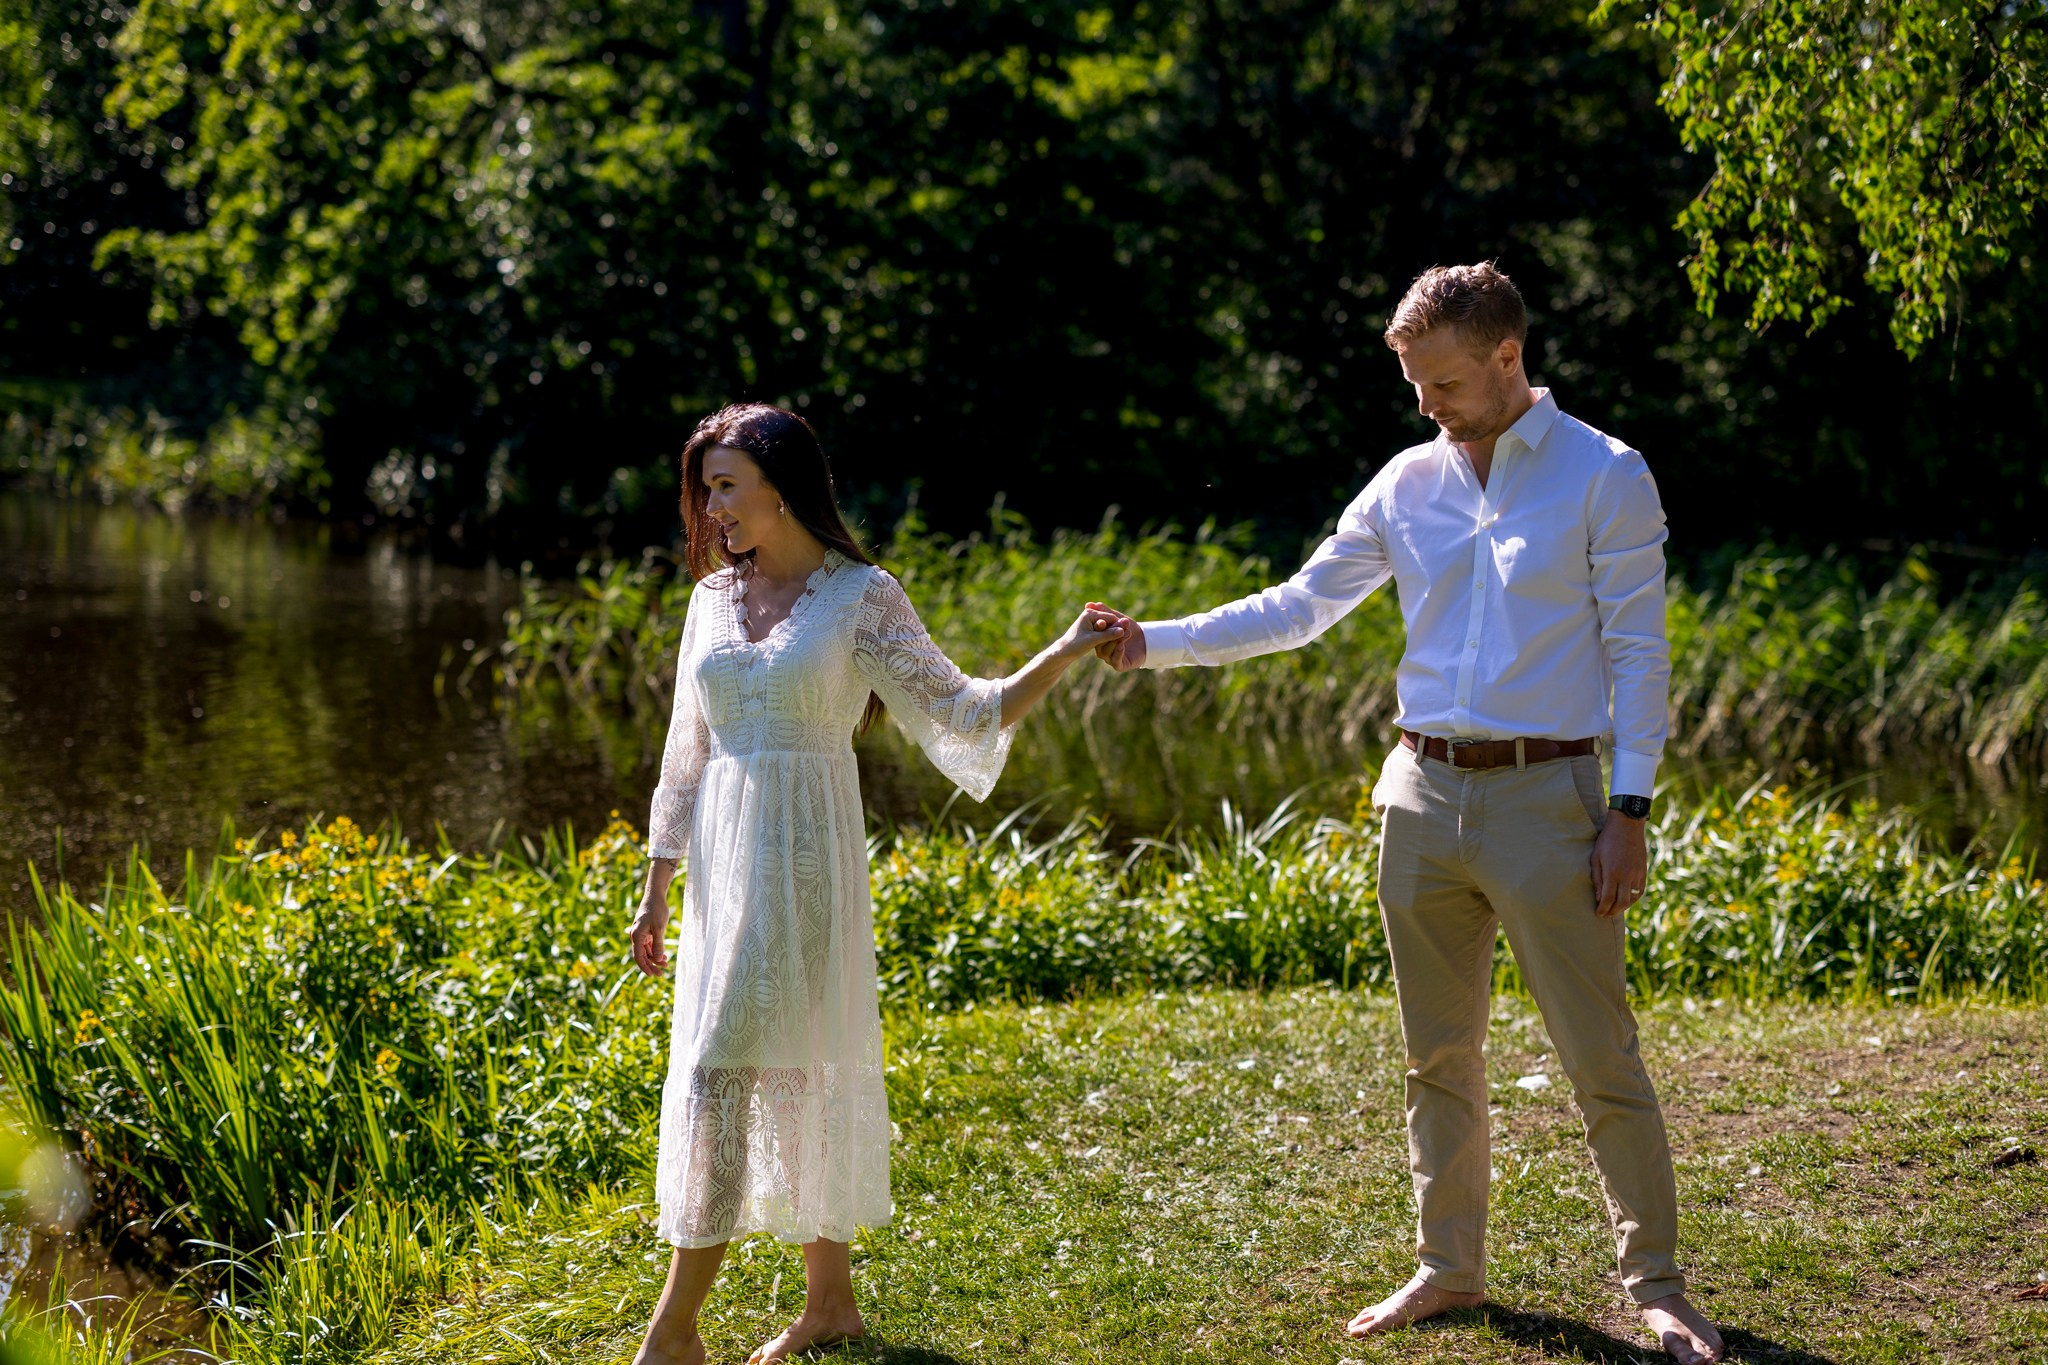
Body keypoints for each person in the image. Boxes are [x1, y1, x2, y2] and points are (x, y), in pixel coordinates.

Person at [1088, 263, 1724, 1364]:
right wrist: (1157, 640)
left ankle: (1656, 1285)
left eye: (1438, 381)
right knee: (1435, 1057)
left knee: (1598, 1060)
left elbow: (1637, 651)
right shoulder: (1403, 482)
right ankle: (1446, 1268)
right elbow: (1298, 608)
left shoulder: (1602, 473)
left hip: (1552, 798)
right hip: (1419, 797)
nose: (1422, 403)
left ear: (1506, 358)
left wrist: (1629, 805)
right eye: (1411, 381)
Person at [626, 403, 1125, 1365]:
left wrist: (1063, 652)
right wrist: (657, 885)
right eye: (706, 490)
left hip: (806, 856)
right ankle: (831, 1303)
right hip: (723, 867)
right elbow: (683, 757)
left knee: (724, 1073)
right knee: (785, 1067)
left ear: (781, 481)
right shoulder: (708, 603)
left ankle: (673, 1334)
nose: (712, 508)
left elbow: (964, 710)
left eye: (726, 485)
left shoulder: (861, 597)